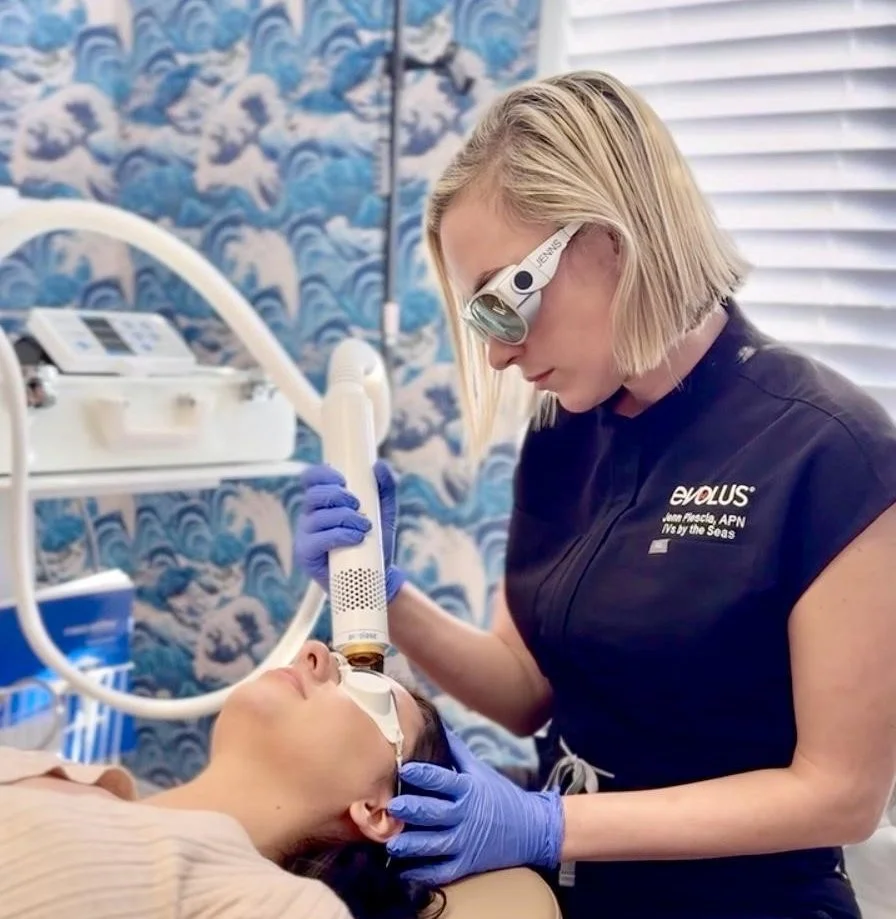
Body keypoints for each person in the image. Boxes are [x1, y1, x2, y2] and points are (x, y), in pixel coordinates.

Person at [294, 69, 896, 919]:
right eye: (481, 320)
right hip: (562, 894)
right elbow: (523, 687)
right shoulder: (564, 429)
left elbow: (838, 795)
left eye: (505, 300)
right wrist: (380, 591)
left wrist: (549, 822)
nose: (499, 354)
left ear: (613, 235)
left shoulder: (830, 451)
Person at [0, 640, 454, 919]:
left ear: (378, 811)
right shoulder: (57, 775)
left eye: (366, 689)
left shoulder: (281, 907)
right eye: (338, 658)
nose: (312, 653)